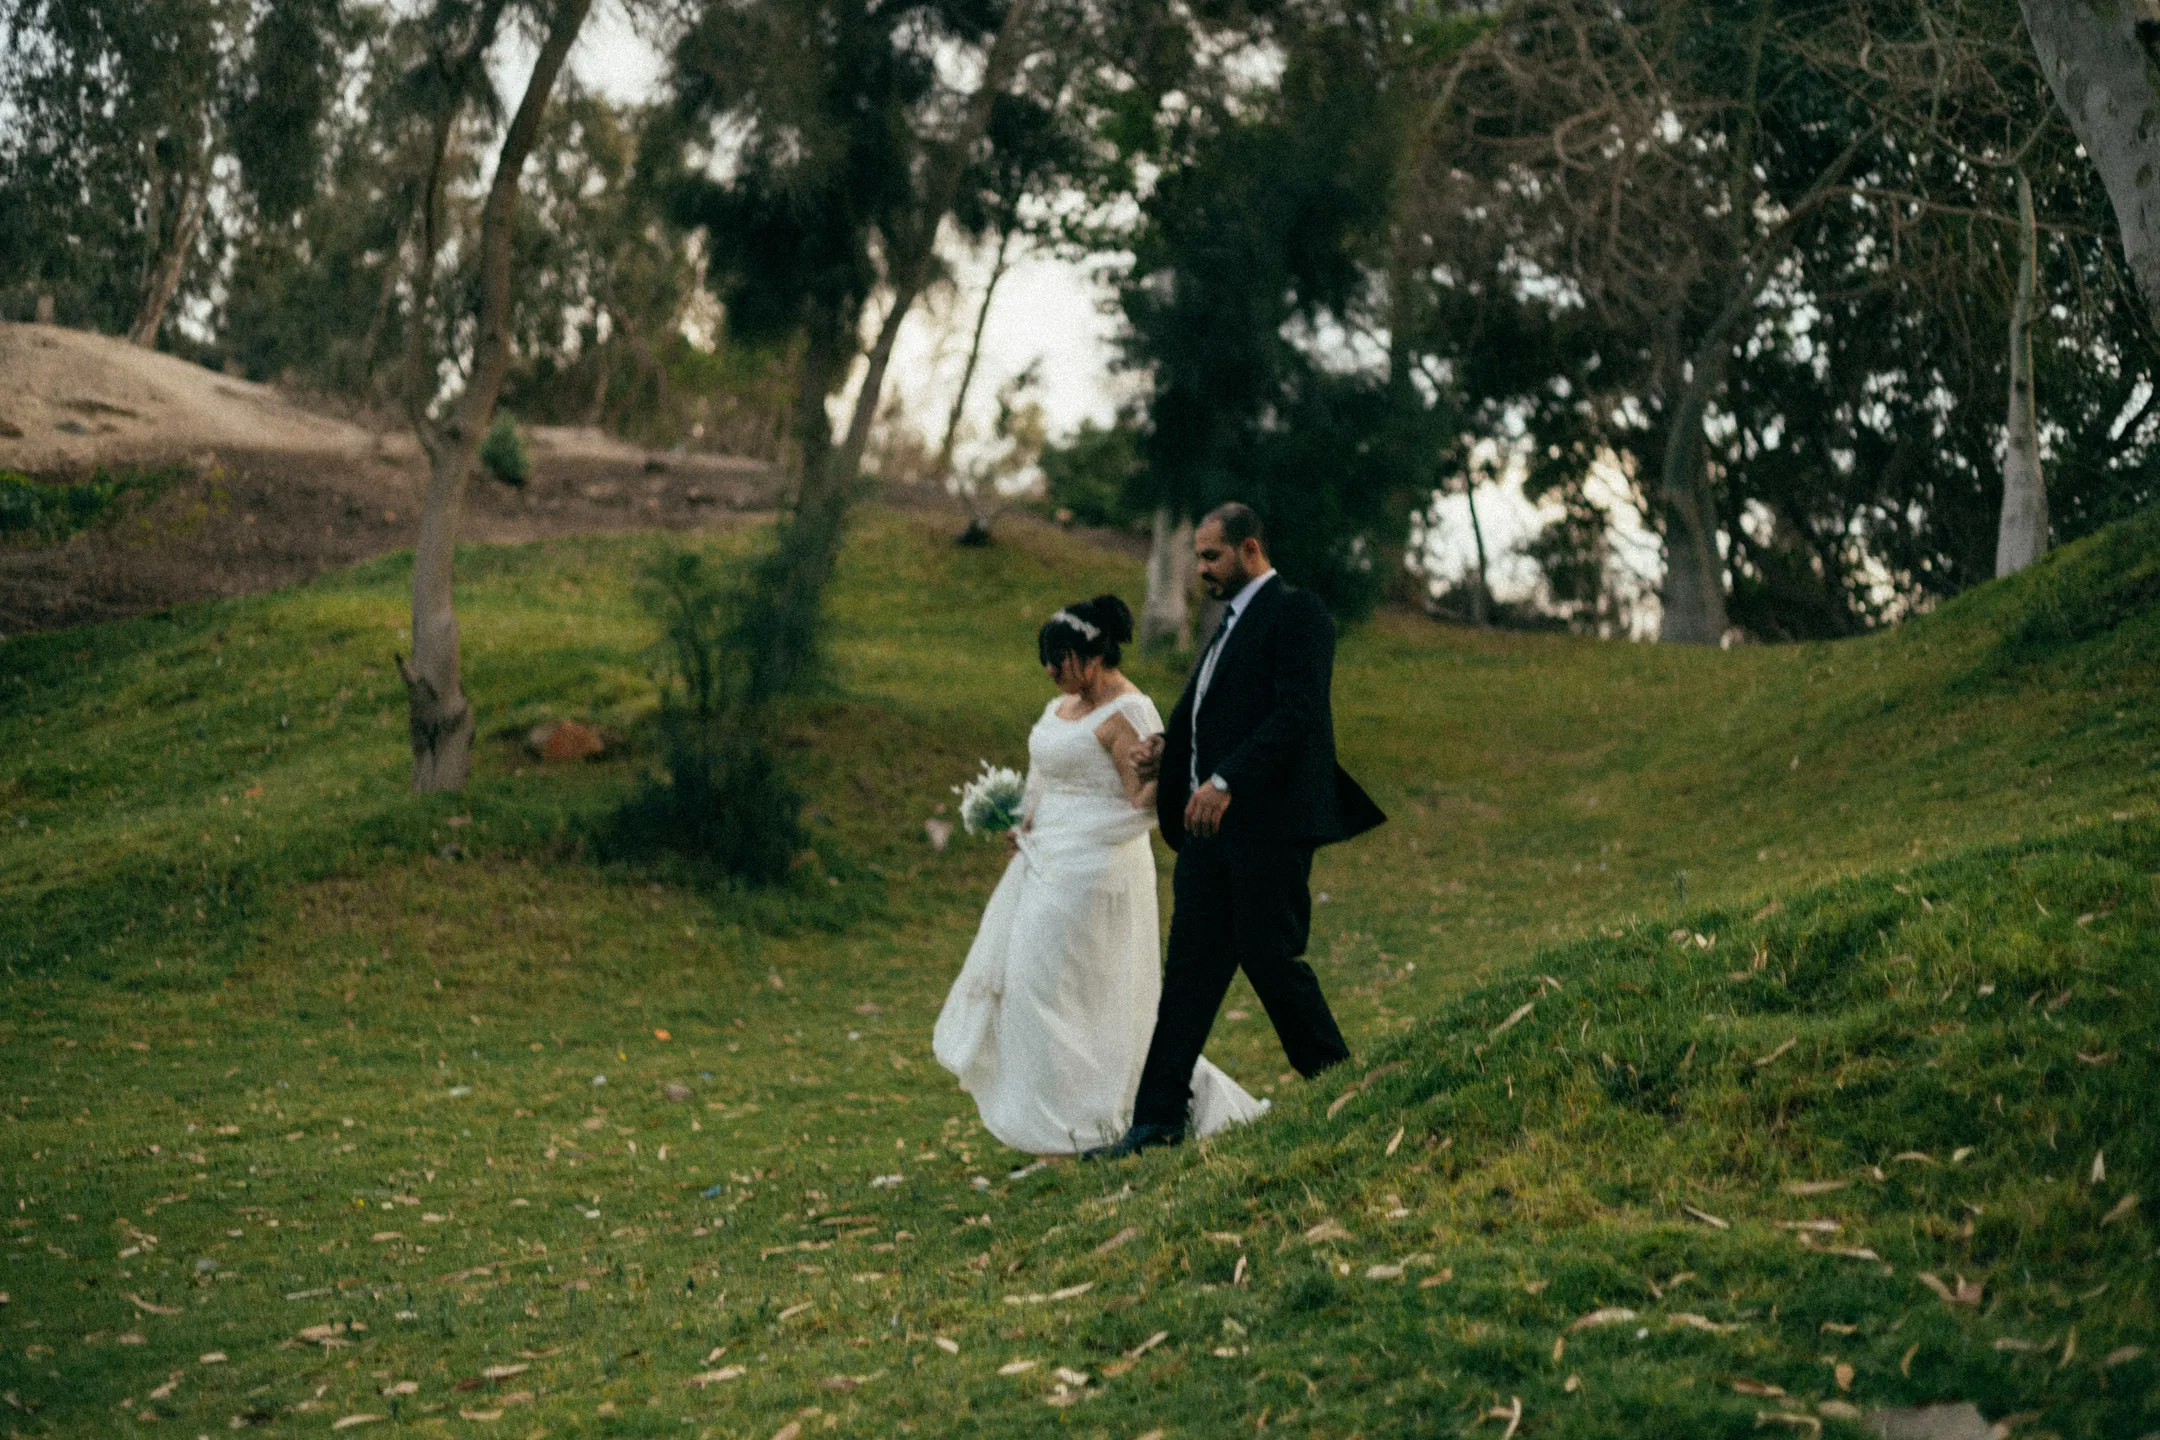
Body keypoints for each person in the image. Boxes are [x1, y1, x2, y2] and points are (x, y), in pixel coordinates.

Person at [1083, 504, 1385, 1160]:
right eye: (1197, 557)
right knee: (1188, 977)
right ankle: (1156, 1124)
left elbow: (1298, 712)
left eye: (1211, 556)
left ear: (1250, 550)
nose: (1201, 569)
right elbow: (1221, 717)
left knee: (1270, 956)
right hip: (1206, 838)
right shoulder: (1226, 627)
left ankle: (1343, 1083)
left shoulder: (1297, 613)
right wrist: (1169, 751)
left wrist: (1225, 781)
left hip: (1267, 827)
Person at [932, 594, 1269, 1154]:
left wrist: (1162, 772)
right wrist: (1023, 820)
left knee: (1071, 994)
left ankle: (1097, 1118)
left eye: (1059, 659)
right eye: (1045, 659)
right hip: (1043, 862)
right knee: (1031, 989)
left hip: (1093, 869)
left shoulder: (1128, 712)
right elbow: (1043, 776)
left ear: (1092, 655)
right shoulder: (1060, 706)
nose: (1050, 670)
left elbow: (1143, 801)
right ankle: (1062, 1121)